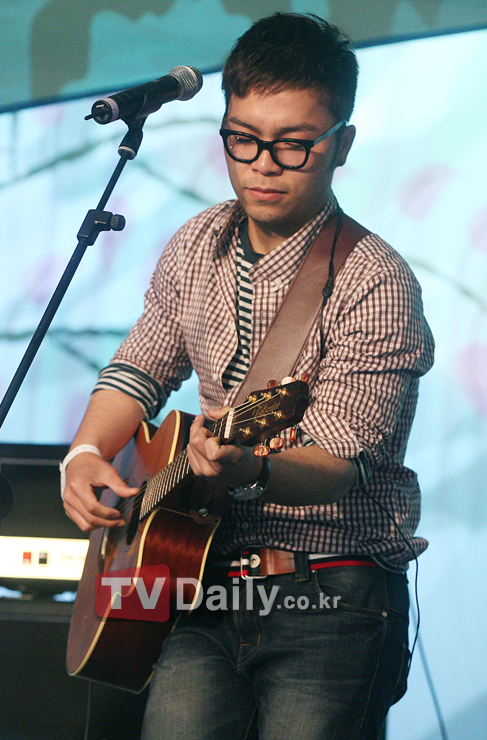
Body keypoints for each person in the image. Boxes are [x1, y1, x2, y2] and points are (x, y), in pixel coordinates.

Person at [62, 12, 434, 740]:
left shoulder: (374, 280)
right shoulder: (197, 242)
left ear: (342, 145)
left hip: (330, 590)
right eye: (243, 139)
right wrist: (84, 454)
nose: (263, 164)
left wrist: (253, 471)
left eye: (293, 144)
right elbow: (139, 366)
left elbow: (341, 463)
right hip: (200, 582)